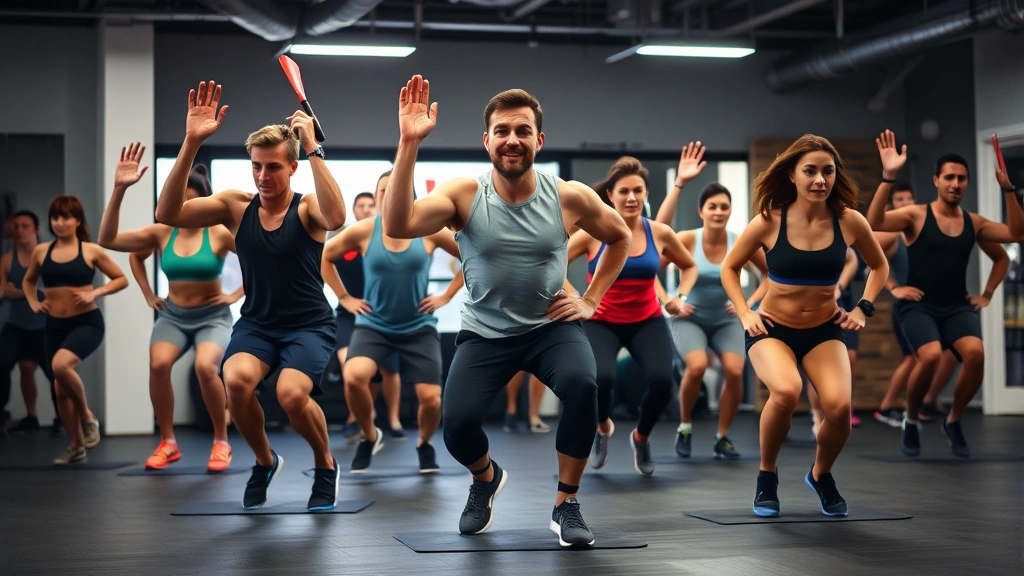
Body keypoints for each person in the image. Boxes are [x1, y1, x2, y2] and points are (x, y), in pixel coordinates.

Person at [381, 75, 630, 547]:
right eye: (501, 131)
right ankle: (485, 478)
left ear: (538, 139)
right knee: (456, 425)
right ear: (487, 140)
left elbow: (620, 236)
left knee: (583, 384)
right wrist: (408, 142)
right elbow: (398, 222)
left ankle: (566, 503)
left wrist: (591, 298)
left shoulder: (567, 195)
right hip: (484, 332)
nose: (511, 140)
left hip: (549, 327)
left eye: (521, 131)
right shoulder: (464, 196)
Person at [155, 81, 346, 510]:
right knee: (236, 383)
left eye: (274, 167)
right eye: (257, 166)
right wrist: (190, 142)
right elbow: (166, 213)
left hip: (309, 325)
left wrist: (312, 145)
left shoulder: (307, 208)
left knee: (292, 395)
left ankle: (325, 464)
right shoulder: (235, 206)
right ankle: (264, 460)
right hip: (258, 323)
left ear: (292, 168)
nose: (263, 175)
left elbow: (336, 215)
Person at [722, 134, 887, 517]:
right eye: (809, 171)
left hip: (824, 331)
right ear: (792, 176)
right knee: (786, 390)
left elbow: (879, 266)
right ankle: (767, 475)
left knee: (840, 407)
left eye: (827, 172)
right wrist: (746, 311)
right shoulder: (768, 221)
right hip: (772, 329)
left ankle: (821, 474)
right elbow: (731, 267)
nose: (819, 180)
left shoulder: (849, 221)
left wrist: (863, 307)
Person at [868, 130, 1023, 458]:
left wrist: (988, 293)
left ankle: (953, 419)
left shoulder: (974, 222)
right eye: (949, 177)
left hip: (956, 306)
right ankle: (911, 419)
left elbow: (1015, 236)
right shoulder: (916, 215)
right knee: (931, 356)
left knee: (976, 356)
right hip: (918, 306)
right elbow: (874, 220)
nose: (956, 183)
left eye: (962, 179)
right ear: (936, 180)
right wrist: (889, 176)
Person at [98, 143, 242, 472]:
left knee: (206, 368)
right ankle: (168, 442)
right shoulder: (163, 231)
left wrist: (235, 296)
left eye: (194, 200)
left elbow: (258, 259)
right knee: (159, 365)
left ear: (208, 203)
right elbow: (110, 241)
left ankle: (221, 441)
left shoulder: (218, 232)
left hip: (213, 318)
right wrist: (119, 190)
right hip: (174, 316)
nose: (187, 205)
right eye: (182, 199)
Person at [323, 169, 463, 474]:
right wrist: (345, 298)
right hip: (374, 326)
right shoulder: (364, 231)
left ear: (409, 197)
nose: (389, 196)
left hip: (418, 327)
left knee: (431, 399)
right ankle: (369, 435)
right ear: (376, 198)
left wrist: (446, 297)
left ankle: (424, 443)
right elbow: (326, 256)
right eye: (383, 191)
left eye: (395, 190)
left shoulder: (429, 231)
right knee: (354, 376)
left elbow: (472, 256)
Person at [564, 156, 695, 475]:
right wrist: (576, 297)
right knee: (602, 379)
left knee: (663, 382)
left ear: (647, 194)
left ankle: (641, 436)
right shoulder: (592, 233)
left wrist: (680, 296)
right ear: (610, 195)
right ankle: (602, 426)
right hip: (601, 320)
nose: (632, 197)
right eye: (624, 191)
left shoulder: (660, 233)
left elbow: (688, 265)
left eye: (639, 190)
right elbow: (554, 264)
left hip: (646, 320)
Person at [654, 154, 770, 458]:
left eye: (724, 207)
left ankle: (722, 436)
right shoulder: (686, 239)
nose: (719, 212)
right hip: (688, 318)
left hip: (726, 317)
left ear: (730, 211)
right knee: (697, 367)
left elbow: (770, 275)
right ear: (701, 211)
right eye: (713, 207)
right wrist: (670, 300)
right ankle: (685, 426)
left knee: (735, 370)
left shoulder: (741, 240)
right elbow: (652, 268)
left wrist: (750, 305)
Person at [872, 184, 1006, 427]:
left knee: (953, 355)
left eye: (909, 198)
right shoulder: (893, 235)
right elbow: (869, 258)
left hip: (940, 305)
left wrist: (986, 294)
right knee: (915, 358)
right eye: (900, 199)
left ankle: (927, 400)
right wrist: (893, 287)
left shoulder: (922, 229)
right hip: (909, 307)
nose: (906, 202)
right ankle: (886, 407)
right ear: (892, 205)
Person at [23, 195, 128, 464]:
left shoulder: (90, 250)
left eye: (66, 217)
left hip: (87, 323)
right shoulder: (42, 251)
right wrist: (34, 301)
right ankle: (76, 446)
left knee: (60, 365)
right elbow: (29, 281)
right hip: (54, 326)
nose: (59, 223)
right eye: (55, 217)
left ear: (78, 220)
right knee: (59, 389)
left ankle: (86, 416)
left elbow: (121, 279)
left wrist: (97, 292)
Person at [326, 186, 403, 442]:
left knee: (388, 371)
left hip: (385, 316)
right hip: (349, 316)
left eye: (371, 205)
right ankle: (357, 418)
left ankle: (392, 420)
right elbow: (321, 262)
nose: (367, 209)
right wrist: (345, 298)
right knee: (353, 370)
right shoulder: (343, 238)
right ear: (354, 211)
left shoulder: (389, 237)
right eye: (361, 206)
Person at [0, 210, 61, 435]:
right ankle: (29, 417)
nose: (19, 230)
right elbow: (2, 291)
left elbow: (55, 292)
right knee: (16, 366)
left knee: (55, 372)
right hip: (17, 324)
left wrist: (23, 292)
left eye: (24, 226)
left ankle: (61, 419)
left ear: (36, 229)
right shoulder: (7, 260)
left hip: (45, 324)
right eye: (15, 226)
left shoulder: (50, 256)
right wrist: (27, 292)